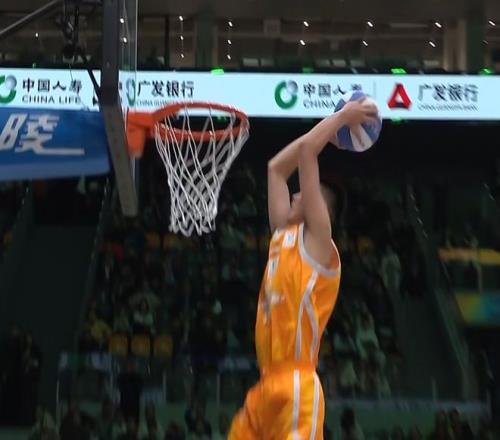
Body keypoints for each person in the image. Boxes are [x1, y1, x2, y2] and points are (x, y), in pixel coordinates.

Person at [228, 100, 377, 438]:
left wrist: (341, 118)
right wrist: (333, 127)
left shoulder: (320, 244)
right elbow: (276, 169)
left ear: (320, 209)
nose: (295, 195)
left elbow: (309, 152)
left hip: (298, 386)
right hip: (265, 386)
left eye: (305, 192)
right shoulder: (283, 236)